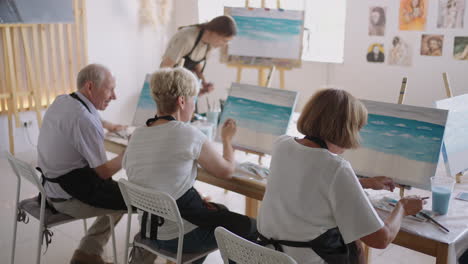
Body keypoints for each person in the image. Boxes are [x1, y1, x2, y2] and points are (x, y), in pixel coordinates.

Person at [257, 89, 425, 264]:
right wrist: (403, 207)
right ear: (346, 129)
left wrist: (363, 183)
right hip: (303, 260)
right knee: (354, 241)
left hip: (267, 256)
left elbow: (309, 185)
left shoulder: (282, 144)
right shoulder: (336, 167)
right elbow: (381, 239)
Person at [122, 67, 256, 264]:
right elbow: (226, 170)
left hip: (148, 232)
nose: (194, 106)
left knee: (218, 211)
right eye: (193, 99)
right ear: (182, 101)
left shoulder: (137, 135)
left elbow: (156, 178)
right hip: (179, 238)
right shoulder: (187, 134)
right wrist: (227, 140)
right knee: (249, 227)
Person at [37, 64, 127, 264]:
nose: (115, 96)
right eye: (110, 89)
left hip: (48, 188)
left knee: (118, 191)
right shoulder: (84, 120)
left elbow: (84, 116)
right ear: (89, 87)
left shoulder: (64, 100)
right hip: (65, 197)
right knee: (130, 198)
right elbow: (103, 172)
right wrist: (128, 153)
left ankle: (87, 253)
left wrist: (108, 125)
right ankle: (87, 253)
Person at [160, 15, 237, 96]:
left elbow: (195, 61)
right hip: (169, 86)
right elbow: (165, 67)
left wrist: (204, 83)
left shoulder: (210, 44)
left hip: (183, 87)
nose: (224, 45)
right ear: (215, 32)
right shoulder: (187, 38)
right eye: (224, 40)